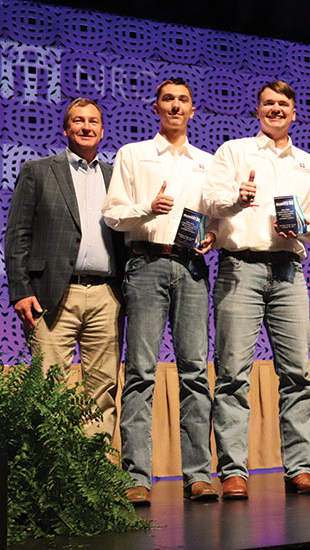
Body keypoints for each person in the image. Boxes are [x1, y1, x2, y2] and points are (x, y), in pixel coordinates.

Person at [203, 81, 310, 497]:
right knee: (232, 375)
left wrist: (303, 226)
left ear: (294, 113)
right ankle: (233, 471)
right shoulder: (234, 152)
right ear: (257, 111)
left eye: (283, 105)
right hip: (240, 268)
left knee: (297, 375)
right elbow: (209, 200)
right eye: (269, 104)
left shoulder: (309, 164)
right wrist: (236, 200)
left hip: (289, 272)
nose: (276, 110)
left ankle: (299, 468)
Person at [102, 78, 218, 505]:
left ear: (192, 110)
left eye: (183, 100)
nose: (175, 106)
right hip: (145, 263)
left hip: (191, 266)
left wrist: (214, 237)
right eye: (168, 99)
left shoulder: (207, 162)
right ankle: (137, 476)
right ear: (156, 107)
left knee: (194, 372)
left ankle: (198, 475)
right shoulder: (133, 154)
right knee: (140, 372)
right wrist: (147, 208)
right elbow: (113, 214)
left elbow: (216, 218)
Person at [5, 97, 123, 438]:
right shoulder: (38, 171)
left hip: (106, 296)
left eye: (93, 121)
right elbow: (18, 234)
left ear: (102, 130)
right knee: (47, 387)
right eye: (78, 121)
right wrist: (21, 291)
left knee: (101, 391)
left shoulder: (116, 177)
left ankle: (95, 465)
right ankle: (51, 468)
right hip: (52, 293)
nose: (86, 127)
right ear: (65, 129)